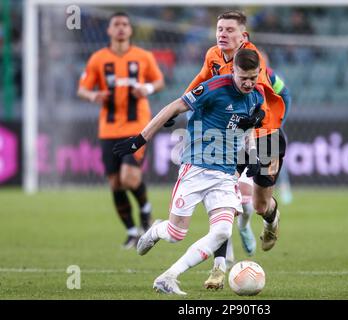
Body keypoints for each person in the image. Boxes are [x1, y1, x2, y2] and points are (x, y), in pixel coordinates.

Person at [112, 49, 266, 295]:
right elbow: (174, 106)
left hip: (226, 175)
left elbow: (247, 131)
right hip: (196, 167)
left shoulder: (256, 97)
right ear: (233, 71)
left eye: (253, 77)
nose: (248, 83)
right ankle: (156, 230)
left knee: (223, 231)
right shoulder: (214, 87)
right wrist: (140, 139)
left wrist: (254, 155)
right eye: (243, 77)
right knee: (175, 234)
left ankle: (168, 276)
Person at [164, 10, 286, 289]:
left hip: (263, 135)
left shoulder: (253, 60)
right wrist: (179, 105)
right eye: (220, 29)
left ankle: (271, 219)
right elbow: (199, 82)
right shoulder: (213, 55)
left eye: (230, 30)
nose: (223, 34)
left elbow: (262, 104)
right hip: (232, 137)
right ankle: (219, 268)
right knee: (225, 204)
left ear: (244, 36)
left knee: (259, 205)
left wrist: (258, 139)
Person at [77, 12, 165, 249]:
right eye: (116, 24)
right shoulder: (98, 59)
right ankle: (131, 231)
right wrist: (94, 94)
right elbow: (83, 89)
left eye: (125, 24)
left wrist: (146, 88)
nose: (121, 28)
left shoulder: (143, 57)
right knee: (115, 183)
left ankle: (146, 215)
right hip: (108, 128)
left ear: (130, 30)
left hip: (138, 127)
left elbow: (159, 82)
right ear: (109, 30)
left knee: (129, 177)